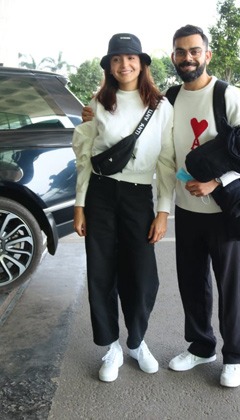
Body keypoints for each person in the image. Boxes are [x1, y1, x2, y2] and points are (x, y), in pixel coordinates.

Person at [164, 24, 240, 388]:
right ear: (174, 57)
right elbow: (163, 148)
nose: (187, 58)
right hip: (187, 212)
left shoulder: (227, 96)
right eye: (180, 51)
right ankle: (201, 346)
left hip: (225, 212)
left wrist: (215, 182)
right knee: (191, 283)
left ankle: (235, 355)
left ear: (207, 55)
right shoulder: (171, 98)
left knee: (229, 287)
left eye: (194, 51)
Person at [72, 33, 176, 382]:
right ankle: (111, 347)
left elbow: (165, 161)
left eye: (131, 58)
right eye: (116, 59)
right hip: (101, 194)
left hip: (137, 196)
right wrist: (80, 205)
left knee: (143, 276)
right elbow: (86, 158)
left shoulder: (161, 107)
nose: (124, 65)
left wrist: (162, 211)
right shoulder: (99, 102)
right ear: (109, 65)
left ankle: (136, 341)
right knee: (101, 273)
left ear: (142, 63)